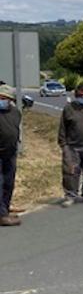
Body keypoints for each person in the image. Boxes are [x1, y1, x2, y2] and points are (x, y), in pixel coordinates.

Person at [0, 85, 22, 226]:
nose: (2, 100)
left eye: (5, 98)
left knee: (9, 183)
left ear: (11, 100)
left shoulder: (15, 112)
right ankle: (1, 216)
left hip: (10, 153)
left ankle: (5, 209)